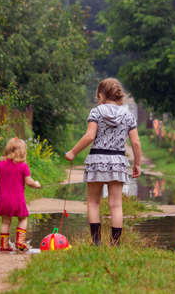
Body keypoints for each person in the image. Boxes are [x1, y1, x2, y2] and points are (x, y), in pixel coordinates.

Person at [65, 78, 142, 246]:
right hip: (118, 160)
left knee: (93, 202)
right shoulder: (127, 115)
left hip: (97, 159)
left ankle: (96, 242)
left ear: (100, 94)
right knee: (116, 205)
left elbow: (90, 136)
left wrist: (72, 152)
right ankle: (114, 243)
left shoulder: (96, 112)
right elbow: (135, 143)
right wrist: (137, 163)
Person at [0, 137, 41, 251]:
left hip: (3, 200)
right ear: (23, 152)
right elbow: (29, 182)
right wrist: (36, 184)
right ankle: (20, 241)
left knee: (5, 221)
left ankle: (4, 245)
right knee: (23, 219)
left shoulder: (0, 164)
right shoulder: (23, 166)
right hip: (17, 200)